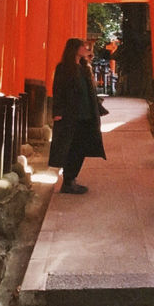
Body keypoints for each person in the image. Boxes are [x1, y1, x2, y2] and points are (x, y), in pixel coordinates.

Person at [48, 38, 106, 194]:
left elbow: (89, 91)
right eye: (83, 46)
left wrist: (97, 107)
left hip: (86, 115)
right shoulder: (63, 68)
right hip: (71, 115)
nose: (85, 48)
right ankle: (68, 181)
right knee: (70, 148)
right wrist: (57, 112)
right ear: (74, 49)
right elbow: (58, 90)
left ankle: (71, 179)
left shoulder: (83, 67)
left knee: (81, 148)